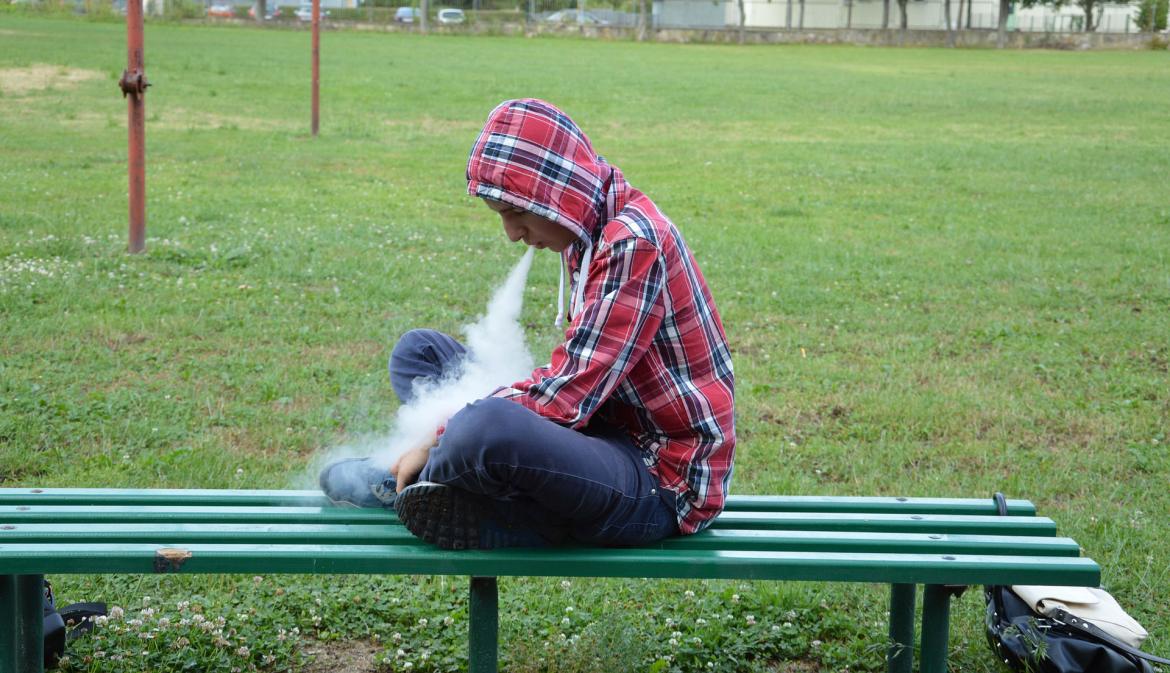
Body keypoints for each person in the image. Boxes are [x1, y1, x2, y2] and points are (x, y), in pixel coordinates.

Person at [320, 98, 735, 550]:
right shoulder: (588, 228)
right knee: (419, 353)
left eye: (516, 212)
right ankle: (453, 484)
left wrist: (438, 434)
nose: (511, 233)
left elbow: (570, 392)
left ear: (558, 193)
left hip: (662, 481)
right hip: (604, 431)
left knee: (485, 428)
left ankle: (412, 481)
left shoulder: (633, 244)